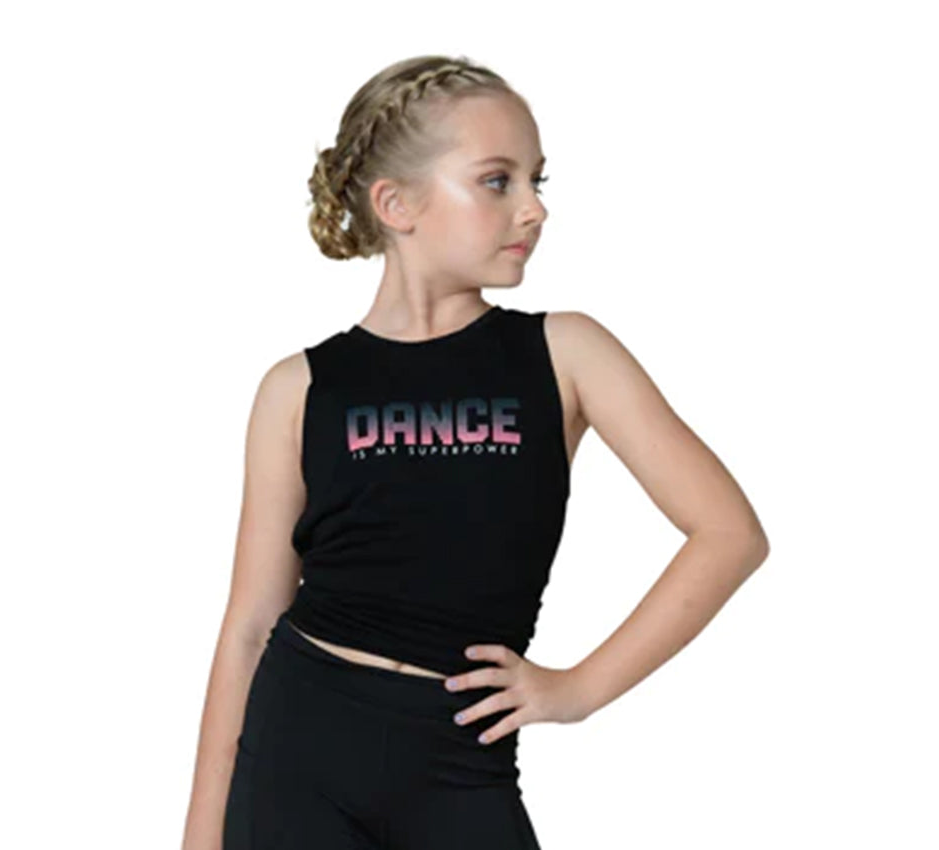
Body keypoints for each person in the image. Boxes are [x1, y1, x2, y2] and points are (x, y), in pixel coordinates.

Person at [181, 54, 770, 850]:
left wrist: (578, 689)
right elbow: (250, 625)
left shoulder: (566, 355)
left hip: (459, 757)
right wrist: (201, 834)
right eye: (498, 181)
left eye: (537, 180)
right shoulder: (299, 388)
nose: (534, 208)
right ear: (396, 204)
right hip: (297, 749)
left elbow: (730, 534)